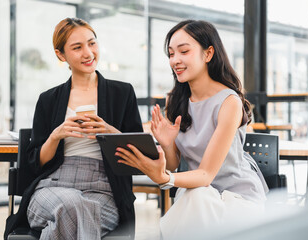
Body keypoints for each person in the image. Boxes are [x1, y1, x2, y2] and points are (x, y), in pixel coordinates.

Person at [115, 20, 268, 238]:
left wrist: (165, 178)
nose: (175, 60)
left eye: (184, 51)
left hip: (237, 198)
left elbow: (205, 175)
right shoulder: (176, 100)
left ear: (208, 54)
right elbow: (175, 163)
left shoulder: (229, 102)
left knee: (197, 198)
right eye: (171, 54)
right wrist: (168, 144)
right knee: (197, 197)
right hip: (198, 196)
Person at [4, 17, 143, 240]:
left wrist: (110, 131)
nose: (88, 53)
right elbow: (34, 163)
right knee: (73, 205)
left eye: (92, 43)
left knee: (70, 215)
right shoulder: (48, 99)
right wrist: (56, 135)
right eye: (77, 47)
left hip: (104, 191)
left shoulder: (122, 93)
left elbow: (139, 153)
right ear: (61, 55)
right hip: (52, 187)